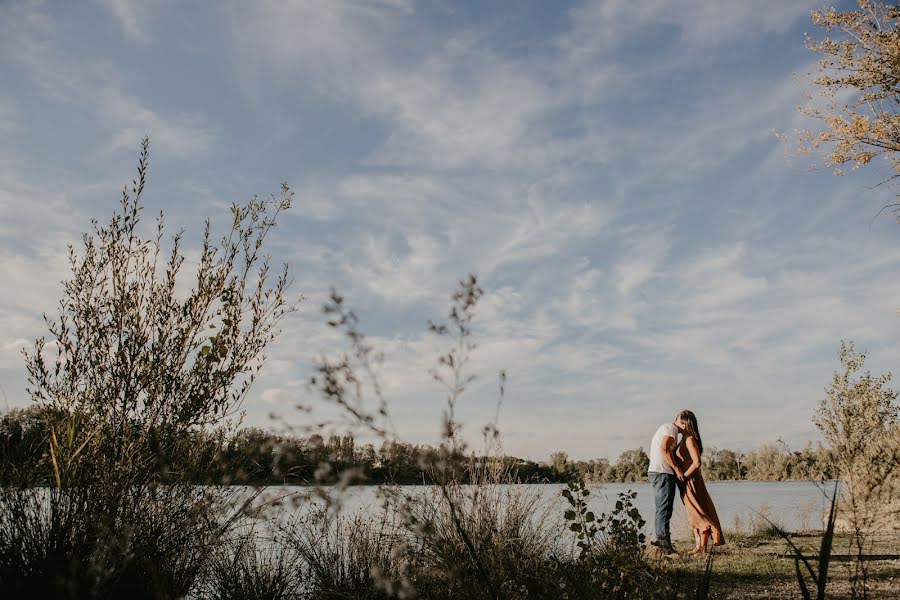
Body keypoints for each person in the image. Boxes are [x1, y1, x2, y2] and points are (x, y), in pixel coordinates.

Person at [673, 409, 724, 554]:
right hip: (686, 481)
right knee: (694, 513)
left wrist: (683, 477)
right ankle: (699, 547)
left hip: (692, 481)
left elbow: (697, 463)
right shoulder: (683, 439)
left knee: (698, 512)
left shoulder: (689, 440)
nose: (674, 423)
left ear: (683, 424)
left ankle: (702, 547)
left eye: (676, 421)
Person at [647, 416, 685, 554]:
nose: (686, 427)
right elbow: (664, 448)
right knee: (664, 510)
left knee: (662, 510)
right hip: (663, 473)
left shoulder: (668, 428)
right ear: (681, 421)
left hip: (657, 472)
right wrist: (677, 469)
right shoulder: (671, 428)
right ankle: (665, 548)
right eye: (686, 424)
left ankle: (663, 544)